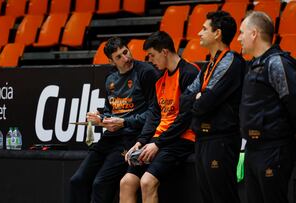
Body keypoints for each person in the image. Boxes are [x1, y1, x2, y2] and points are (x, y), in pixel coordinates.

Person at [69, 37, 159, 203]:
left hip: (131, 137)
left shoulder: (146, 72)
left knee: (100, 184)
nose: (126, 58)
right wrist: (100, 118)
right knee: (78, 180)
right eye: (119, 57)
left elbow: (154, 112)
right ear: (111, 61)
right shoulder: (110, 78)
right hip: (110, 137)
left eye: (125, 52)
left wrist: (124, 122)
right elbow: (110, 110)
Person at [119, 31, 199, 203]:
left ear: (164, 51)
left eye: (152, 55)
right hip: (159, 139)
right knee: (127, 182)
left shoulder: (189, 73)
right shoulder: (160, 80)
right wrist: (140, 142)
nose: (151, 61)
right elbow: (154, 116)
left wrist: (158, 143)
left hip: (182, 138)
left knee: (147, 182)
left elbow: (186, 117)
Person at [237, 11, 296, 203]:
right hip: (253, 149)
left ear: (254, 34)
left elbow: (294, 103)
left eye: (242, 32)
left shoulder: (276, 62)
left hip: (273, 149)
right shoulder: (253, 65)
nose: (239, 37)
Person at [182, 11, 245, 203]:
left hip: (221, 140)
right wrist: (198, 97)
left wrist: (199, 98)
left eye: (204, 29)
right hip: (202, 139)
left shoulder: (232, 62)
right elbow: (184, 100)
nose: (199, 33)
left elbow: (203, 104)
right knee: (208, 197)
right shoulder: (210, 64)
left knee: (222, 197)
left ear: (217, 33)